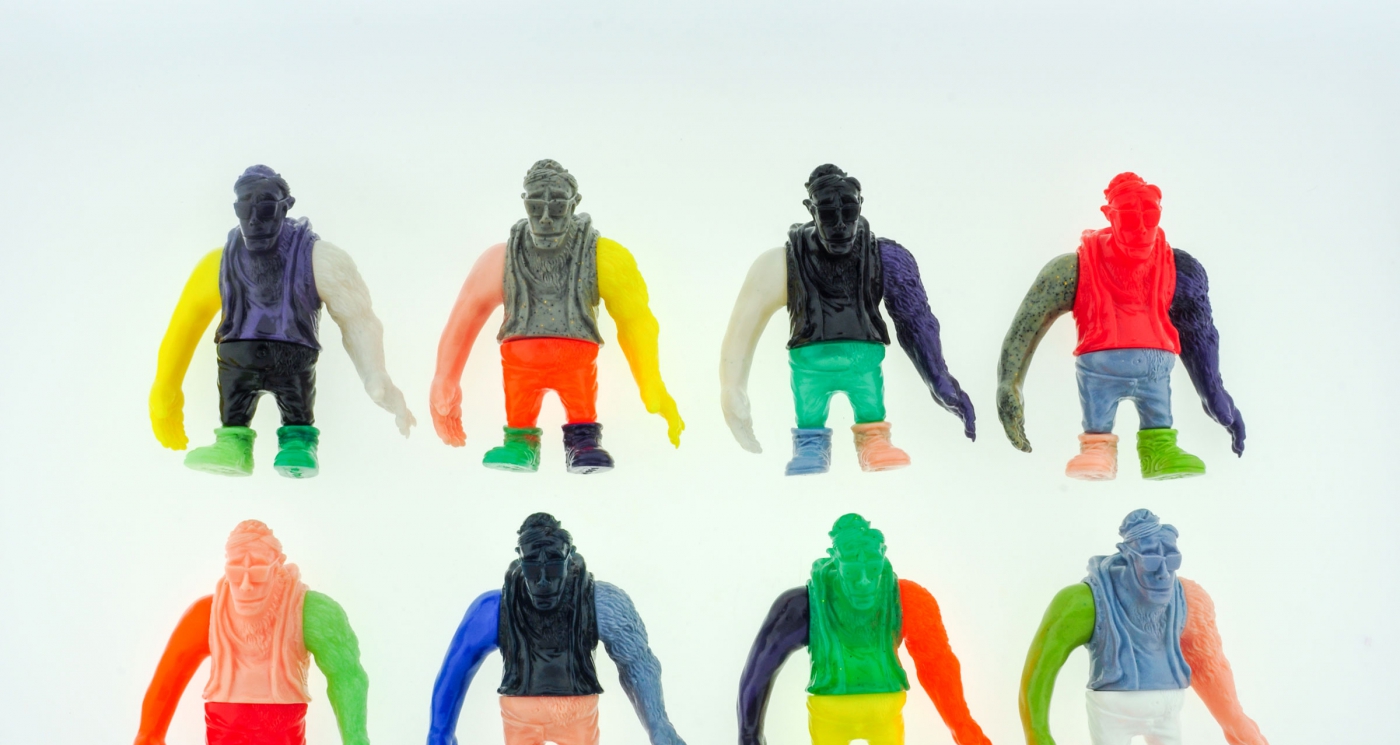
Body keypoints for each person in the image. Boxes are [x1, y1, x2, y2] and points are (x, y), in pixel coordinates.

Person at [427, 513, 694, 745]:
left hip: (577, 717)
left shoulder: (599, 601)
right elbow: (456, 668)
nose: (543, 581)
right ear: (520, 559)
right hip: (520, 720)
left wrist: (658, 723)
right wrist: (439, 734)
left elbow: (637, 661)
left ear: (569, 557)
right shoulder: (494, 607)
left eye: (553, 564)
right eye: (532, 566)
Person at [149, 165, 415, 478]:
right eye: (244, 208)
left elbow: (358, 319)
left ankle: (299, 445)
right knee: (233, 411)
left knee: (297, 414)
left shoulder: (318, 259)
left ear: (285, 206)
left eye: (265, 207)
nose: (253, 220)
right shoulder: (220, 262)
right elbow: (188, 319)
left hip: (292, 359)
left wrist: (375, 374)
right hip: (237, 362)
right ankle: (233, 445)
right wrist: (165, 384)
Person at [737, 514, 997, 745]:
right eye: (852, 571)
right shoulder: (805, 604)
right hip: (828, 714)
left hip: (885, 712)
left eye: (872, 570)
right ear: (836, 562)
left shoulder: (906, 599)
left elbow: (937, 662)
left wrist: (961, 722)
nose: (864, 582)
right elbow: (761, 669)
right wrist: (749, 736)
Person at [131, 521, 390, 745]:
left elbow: (346, 674)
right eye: (236, 568)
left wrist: (355, 736)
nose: (245, 585)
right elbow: (171, 673)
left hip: (283, 720)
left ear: (277, 566)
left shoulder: (309, 611)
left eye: (256, 569)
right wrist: (150, 733)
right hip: (224, 722)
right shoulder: (207, 613)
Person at [1018, 509, 1275, 745]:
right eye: (1151, 559)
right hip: (1112, 710)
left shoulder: (1187, 598)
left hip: (1166, 710)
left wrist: (1234, 720)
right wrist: (1036, 732)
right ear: (1127, 555)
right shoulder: (1085, 601)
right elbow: (1041, 668)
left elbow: (1206, 659)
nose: (1163, 573)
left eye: (1171, 559)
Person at [430, 160, 684, 473]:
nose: (546, 218)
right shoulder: (501, 259)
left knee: (581, 407)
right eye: (536, 205)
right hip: (519, 367)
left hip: (576, 364)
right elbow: (466, 315)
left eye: (558, 205)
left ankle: (583, 444)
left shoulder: (603, 256)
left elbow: (636, 321)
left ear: (574, 204)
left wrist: (651, 381)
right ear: (524, 202)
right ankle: (520, 444)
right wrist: (445, 377)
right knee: (519, 408)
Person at [720, 164, 975, 475]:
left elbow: (915, 319)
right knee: (809, 413)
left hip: (862, 365)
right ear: (810, 209)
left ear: (860, 206)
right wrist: (731, 387)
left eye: (849, 211)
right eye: (828, 213)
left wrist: (938, 376)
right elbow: (744, 325)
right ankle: (810, 445)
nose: (840, 225)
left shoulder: (885, 257)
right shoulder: (782, 262)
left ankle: (874, 441)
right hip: (810, 368)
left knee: (870, 407)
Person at [995, 172, 1245, 480]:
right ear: (1109, 215)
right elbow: (1028, 324)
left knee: (1158, 414)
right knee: (1098, 421)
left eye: (1150, 215)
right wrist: (1009, 382)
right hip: (1100, 372)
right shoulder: (1074, 268)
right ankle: (1097, 450)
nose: (1141, 228)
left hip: (1155, 372)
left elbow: (1198, 331)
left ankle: (1159, 452)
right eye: (1128, 216)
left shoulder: (1177, 268)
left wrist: (1213, 390)